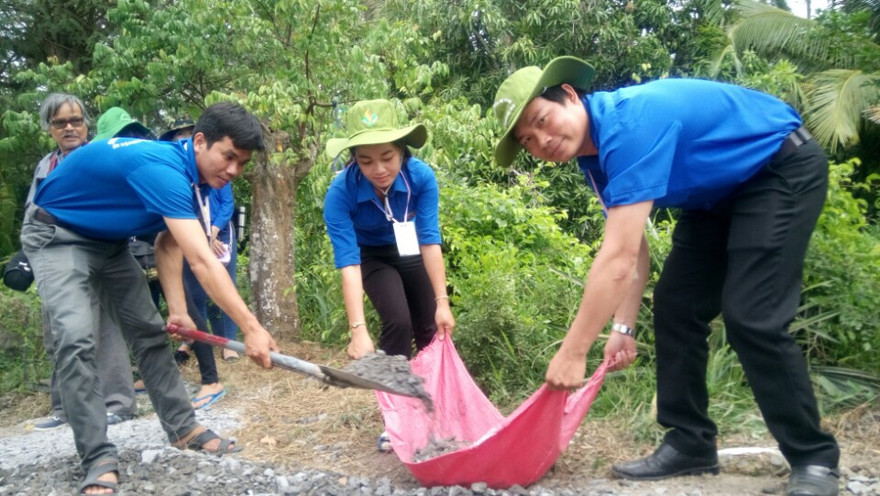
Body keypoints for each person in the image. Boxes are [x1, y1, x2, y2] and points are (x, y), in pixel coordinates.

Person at [492, 56, 840, 496]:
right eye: (527, 140)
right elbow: (633, 248)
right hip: (715, 197)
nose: (542, 141)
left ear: (570, 96)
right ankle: (690, 444)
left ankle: (814, 459)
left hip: (777, 167)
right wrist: (623, 327)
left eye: (542, 120)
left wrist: (573, 352)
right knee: (676, 305)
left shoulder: (628, 125)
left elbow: (617, 259)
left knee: (752, 316)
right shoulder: (594, 158)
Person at [21, 101, 278, 495]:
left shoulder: (196, 181)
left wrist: (178, 310)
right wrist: (252, 328)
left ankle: (183, 428)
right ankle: (97, 456)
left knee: (151, 331)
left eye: (242, 163)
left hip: (108, 243)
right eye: (228, 157)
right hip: (56, 235)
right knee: (75, 339)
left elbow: (168, 242)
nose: (233, 171)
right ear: (199, 141)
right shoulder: (162, 169)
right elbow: (202, 261)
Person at [323, 99, 455, 451]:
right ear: (354, 159)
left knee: (430, 327)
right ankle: (395, 417)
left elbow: (430, 240)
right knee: (397, 321)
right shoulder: (340, 193)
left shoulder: (421, 177)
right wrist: (358, 331)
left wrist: (442, 302)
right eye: (366, 161)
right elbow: (349, 263)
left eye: (387, 157)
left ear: (402, 151)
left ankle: (432, 410)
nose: (378, 169)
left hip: (410, 248)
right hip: (370, 257)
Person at [25, 94, 136, 431]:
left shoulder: (100, 156)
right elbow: (33, 210)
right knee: (59, 331)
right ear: (50, 129)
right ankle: (65, 408)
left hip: (97, 252)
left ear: (86, 124)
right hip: (53, 257)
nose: (69, 127)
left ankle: (118, 403)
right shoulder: (46, 165)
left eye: (75, 120)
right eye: (60, 122)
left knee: (104, 328)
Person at [162, 118, 243, 364]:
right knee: (195, 292)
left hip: (220, 235)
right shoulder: (176, 175)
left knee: (225, 286)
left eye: (187, 133)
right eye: (178, 136)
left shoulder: (217, 173)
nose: (183, 138)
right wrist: (202, 238)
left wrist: (213, 234)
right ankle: (193, 342)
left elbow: (227, 204)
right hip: (190, 236)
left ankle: (229, 343)